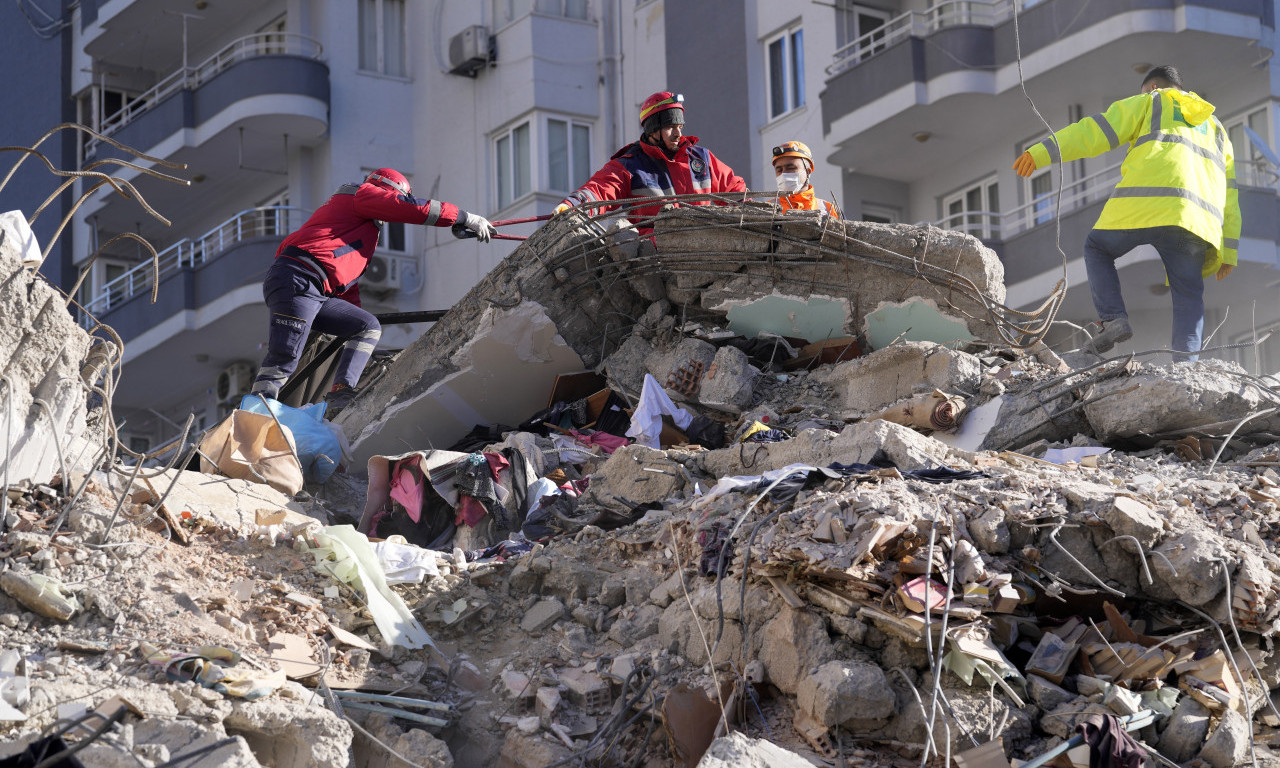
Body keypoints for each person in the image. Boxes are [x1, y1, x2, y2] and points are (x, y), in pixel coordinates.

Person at [1013, 65, 1239, 361]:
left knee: (1096, 248)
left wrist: (1041, 152)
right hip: (1195, 222)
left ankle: (1113, 320)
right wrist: (1229, 251)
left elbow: (1094, 131)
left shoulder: (1151, 101)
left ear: (1153, 88)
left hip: (1143, 205)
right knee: (1189, 296)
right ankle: (1187, 366)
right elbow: (1231, 195)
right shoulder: (1218, 129)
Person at [249, 168, 496, 413]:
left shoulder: (359, 225)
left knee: (366, 326)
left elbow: (347, 295)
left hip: (312, 285)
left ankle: (342, 393)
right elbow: (412, 209)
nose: (392, 211)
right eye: (399, 198)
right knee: (284, 358)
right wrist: (464, 217)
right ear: (389, 191)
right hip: (300, 278)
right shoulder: (362, 195)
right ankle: (253, 417)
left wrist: (365, 354)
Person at [553, 92, 746, 233]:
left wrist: (754, 213)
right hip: (657, 264)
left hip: (704, 255)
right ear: (653, 129)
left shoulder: (701, 158)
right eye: (671, 127)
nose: (678, 133)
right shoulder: (630, 166)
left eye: (680, 126)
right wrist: (573, 205)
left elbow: (734, 191)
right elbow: (600, 189)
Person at [771, 140, 839, 217]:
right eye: (779, 170)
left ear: (808, 172)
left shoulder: (828, 210)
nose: (784, 174)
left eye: (791, 168)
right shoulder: (767, 209)